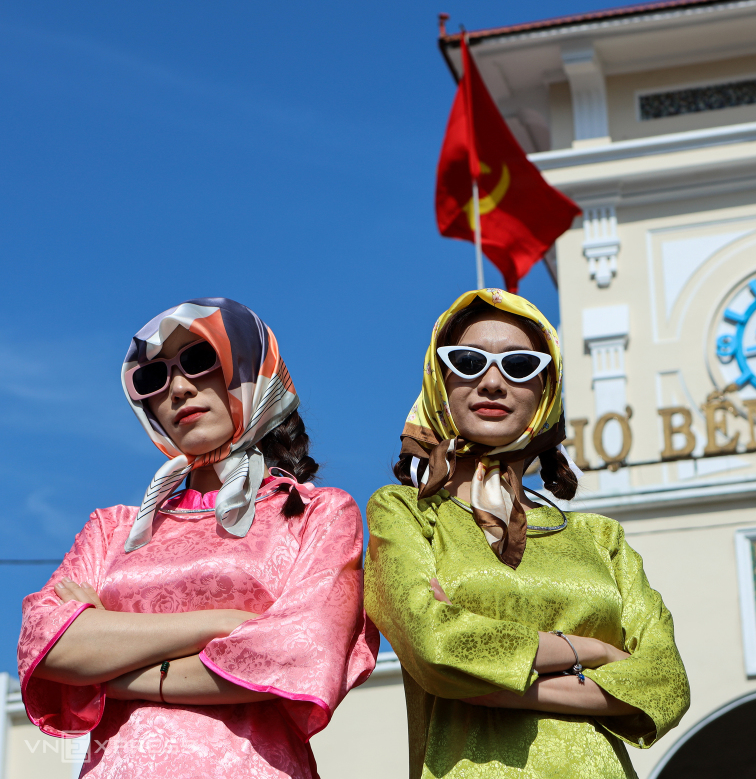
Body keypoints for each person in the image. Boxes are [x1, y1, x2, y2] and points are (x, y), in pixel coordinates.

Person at [18, 298, 378, 778]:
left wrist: (109, 668)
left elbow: (300, 654)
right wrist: (221, 623)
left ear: (247, 365)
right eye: (153, 378)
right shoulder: (112, 528)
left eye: (198, 359)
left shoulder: (321, 514)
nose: (179, 389)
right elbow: (44, 645)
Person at [365, 289, 690, 779]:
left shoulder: (601, 539)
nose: (492, 382)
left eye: (519, 365)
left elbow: (665, 682)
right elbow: (434, 648)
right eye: (468, 362)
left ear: (547, 389)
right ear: (439, 380)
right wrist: (593, 651)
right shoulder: (405, 513)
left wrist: (487, 681)